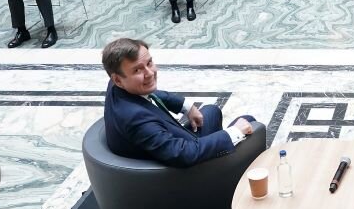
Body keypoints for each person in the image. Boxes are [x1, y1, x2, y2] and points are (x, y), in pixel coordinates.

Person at [102, 37, 258, 168]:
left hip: (170, 144)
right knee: (249, 124)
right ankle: (225, 171)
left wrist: (186, 107)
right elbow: (183, 154)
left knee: (211, 111)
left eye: (149, 63)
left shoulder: (118, 86)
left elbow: (149, 93)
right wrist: (234, 133)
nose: (150, 73)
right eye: (137, 70)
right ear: (118, 79)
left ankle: (224, 160)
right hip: (183, 174)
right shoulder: (136, 119)